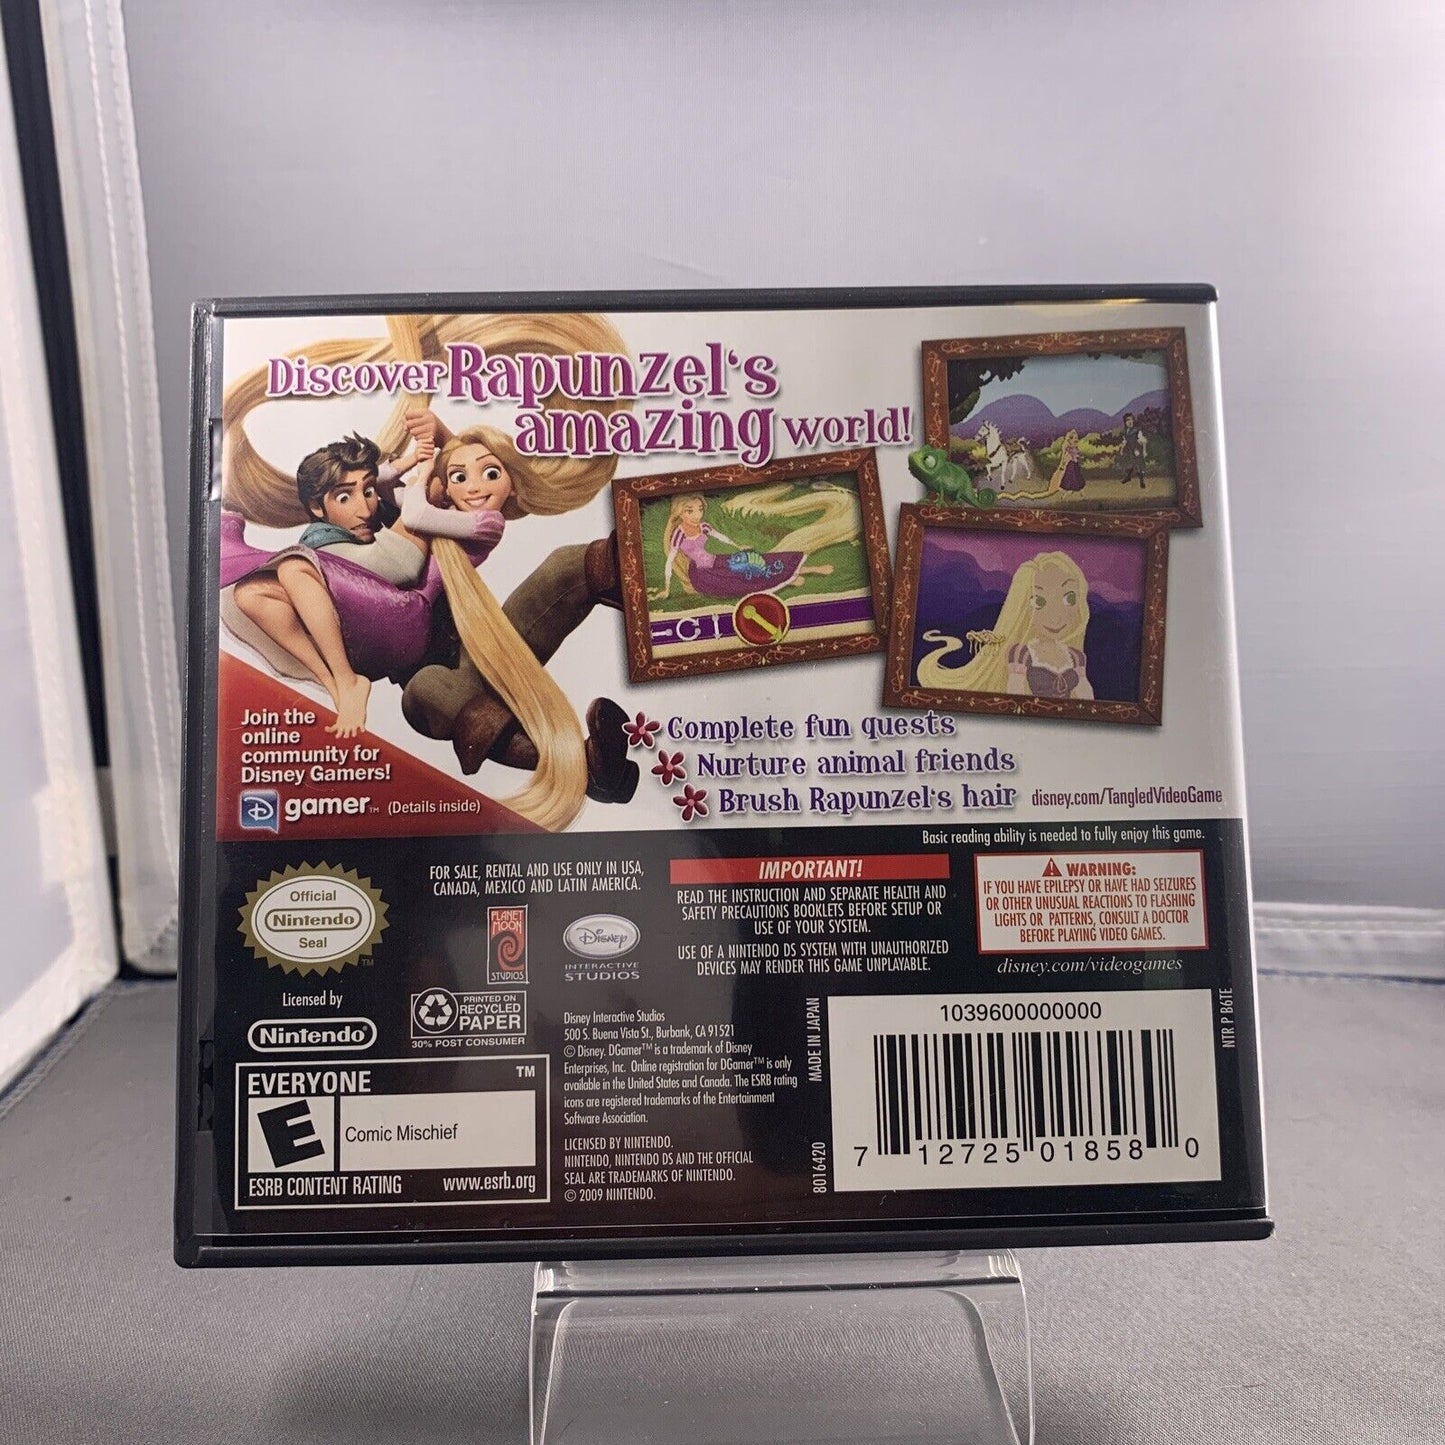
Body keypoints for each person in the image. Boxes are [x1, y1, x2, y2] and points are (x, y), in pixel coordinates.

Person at [221, 311, 641, 831]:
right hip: (432, 665)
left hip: (481, 637)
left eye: (491, 474)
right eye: (346, 497)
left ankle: (649, 572)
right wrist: (425, 458)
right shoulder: (339, 549)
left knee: (565, 568)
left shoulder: (473, 522)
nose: (364, 506)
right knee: (430, 699)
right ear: (317, 508)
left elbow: (432, 501)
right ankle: (589, 766)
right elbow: (404, 528)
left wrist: (433, 456)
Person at [915, 550, 1094, 700]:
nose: (1055, 615)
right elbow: (1014, 698)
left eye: (1069, 598)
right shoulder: (1022, 654)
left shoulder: (1075, 656)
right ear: (1022, 607)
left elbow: (1086, 698)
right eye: (1039, 602)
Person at [648, 488, 846, 602]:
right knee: (741, 578)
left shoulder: (703, 526)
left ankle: (805, 570)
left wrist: (738, 547)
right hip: (703, 575)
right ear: (680, 512)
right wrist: (667, 589)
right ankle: (789, 578)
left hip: (717, 562)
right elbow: (670, 561)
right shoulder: (679, 534)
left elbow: (721, 537)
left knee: (752, 560)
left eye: (700, 509)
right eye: (690, 511)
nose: (697, 515)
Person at [1117, 412, 1149, 488]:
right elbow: (1124, 441)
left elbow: (1143, 441)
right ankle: (1128, 477)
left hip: (1136, 450)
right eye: (1128, 420)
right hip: (1129, 451)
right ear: (1125, 422)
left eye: (1131, 420)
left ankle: (1141, 482)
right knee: (1131, 464)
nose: (1130, 422)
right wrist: (1121, 450)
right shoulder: (1125, 431)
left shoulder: (1136, 430)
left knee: (1138, 465)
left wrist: (1144, 451)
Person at [1049, 429, 1085, 495]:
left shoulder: (1075, 446)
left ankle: (1077, 488)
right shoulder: (1067, 446)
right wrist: (1063, 462)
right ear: (1070, 439)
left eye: (1076, 438)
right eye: (1075, 438)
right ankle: (1068, 488)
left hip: (1075, 462)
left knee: (1077, 475)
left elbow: (1077, 454)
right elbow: (1064, 455)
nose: (1076, 439)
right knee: (1070, 475)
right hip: (1070, 462)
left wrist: (1078, 456)